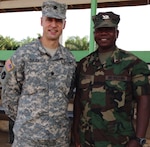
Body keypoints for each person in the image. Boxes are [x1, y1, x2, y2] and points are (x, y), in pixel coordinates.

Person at [0, 0, 76, 147]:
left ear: (64, 24)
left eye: (58, 20)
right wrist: (26, 119)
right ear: (42, 21)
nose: (53, 25)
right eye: (49, 20)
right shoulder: (24, 54)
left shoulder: (69, 59)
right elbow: (9, 93)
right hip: (28, 138)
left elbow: (68, 94)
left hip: (58, 138)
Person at [73, 11, 150, 147]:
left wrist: (139, 139)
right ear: (94, 33)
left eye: (108, 30)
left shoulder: (133, 64)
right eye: (100, 30)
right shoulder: (84, 64)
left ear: (116, 33)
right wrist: (75, 133)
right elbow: (78, 100)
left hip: (119, 140)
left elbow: (144, 100)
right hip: (87, 140)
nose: (103, 33)